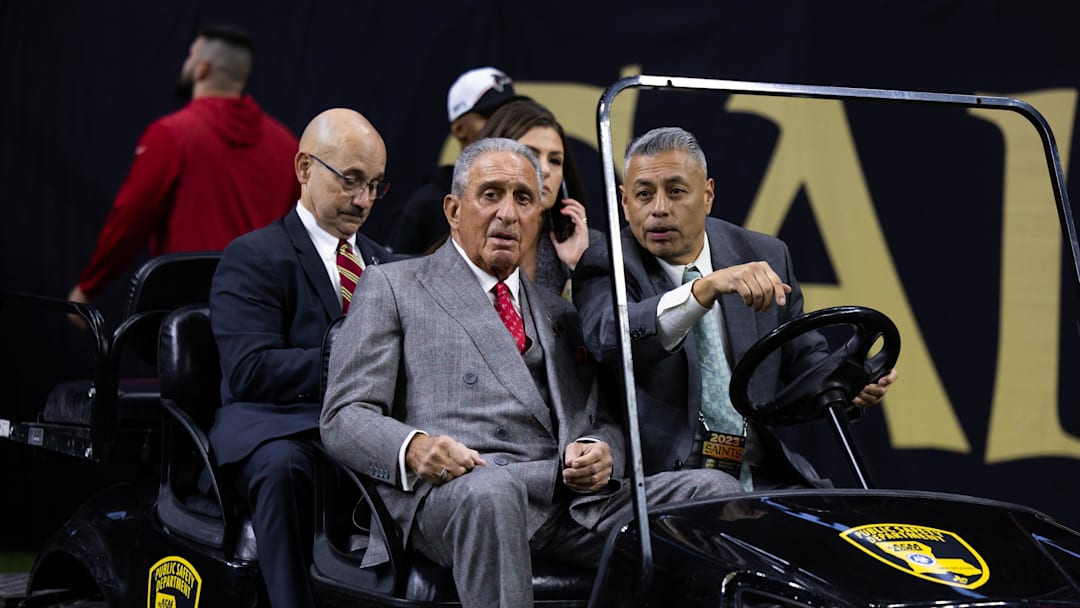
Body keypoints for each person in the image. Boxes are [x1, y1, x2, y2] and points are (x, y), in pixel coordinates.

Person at [320, 137, 740, 607]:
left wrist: (602, 450)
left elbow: (600, 418)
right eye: (490, 195)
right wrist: (413, 447)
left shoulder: (557, 309)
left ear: (538, 216)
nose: (507, 213)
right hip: (456, 495)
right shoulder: (395, 286)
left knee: (712, 491)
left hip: (565, 502)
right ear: (454, 210)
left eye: (523, 199)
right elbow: (343, 416)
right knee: (492, 494)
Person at [573, 126, 898, 489]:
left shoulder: (765, 254)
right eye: (644, 195)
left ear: (708, 195)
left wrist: (847, 383)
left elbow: (805, 364)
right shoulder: (609, 260)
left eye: (676, 192)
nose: (659, 209)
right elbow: (608, 339)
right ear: (624, 201)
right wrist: (701, 291)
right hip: (667, 484)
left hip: (763, 476)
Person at [208, 108, 396, 608]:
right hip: (281, 427)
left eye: (376, 185)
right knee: (282, 469)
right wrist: (351, 363)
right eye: (351, 180)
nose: (363, 200)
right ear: (304, 168)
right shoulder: (253, 256)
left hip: (370, 428)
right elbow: (250, 371)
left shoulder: (389, 263)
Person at [67, 24, 299, 315]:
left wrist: (89, 285)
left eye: (189, 57)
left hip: (188, 315)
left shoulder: (172, 135)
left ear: (201, 69)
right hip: (262, 312)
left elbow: (130, 219)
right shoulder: (289, 146)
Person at [386, 66, 526, 254]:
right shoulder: (425, 205)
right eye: (491, 115)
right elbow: (395, 275)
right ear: (459, 129)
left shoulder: (529, 199)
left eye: (510, 114)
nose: (504, 123)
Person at [476, 99, 603, 298]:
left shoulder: (590, 247)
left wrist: (579, 267)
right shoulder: (461, 244)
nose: (544, 170)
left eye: (554, 160)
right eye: (530, 154)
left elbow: (602, 325)